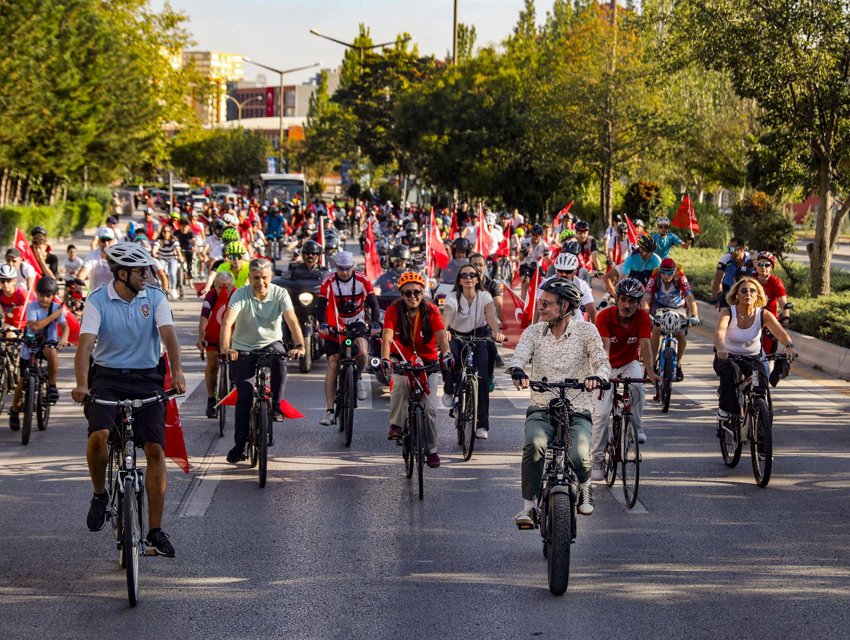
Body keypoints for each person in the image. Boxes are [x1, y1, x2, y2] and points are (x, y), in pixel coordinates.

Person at [71, 242, 186, 558]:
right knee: (99, 438)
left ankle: (155, 531)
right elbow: (84, 347)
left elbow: (169, 337)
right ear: (121, 274)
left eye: (147, 270)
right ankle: (99, 494)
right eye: (141, 271)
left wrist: (176, 372)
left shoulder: (155, 297)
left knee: (155, 449)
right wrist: (82, 384)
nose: (147, 276)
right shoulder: (97, 301)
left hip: (148, 376)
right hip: (107, 378)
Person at [510, 278, 610, 526]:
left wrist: (598, 376)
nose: (540, 307)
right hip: (542, 407)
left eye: (546, 303)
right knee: (534, 445)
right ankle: (529, 508)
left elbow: (601, 361)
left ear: (565, 306)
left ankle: (585, 487)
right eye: (539, 302)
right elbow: (520, 354)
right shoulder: (534, 331)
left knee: (579, 454)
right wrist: (518, 370)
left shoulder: (586, 331)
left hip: (577, 409)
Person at [219, 259, 305, 463]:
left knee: (280, 361)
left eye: (264, 278)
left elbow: (292, 320)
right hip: (243, 349)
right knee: (245, 397)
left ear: (271, 277)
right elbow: (227, 322)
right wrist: (226, 349)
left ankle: (275, 405)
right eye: (256, 278)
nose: (261, 283)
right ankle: (239, 445)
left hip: (271, 343)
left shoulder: (280, 293)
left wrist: (300, 345)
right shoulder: (240, 294)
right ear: (249, 278)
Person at [381, 271, 452, 468]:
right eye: (408, 293)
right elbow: (387, 336)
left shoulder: (430, 310)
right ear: (401, 295)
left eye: (417, 293)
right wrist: (385, 358)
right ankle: (396, 424)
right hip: (402, 360)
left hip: (428, 363)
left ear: (423, 293)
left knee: (430, 408)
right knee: (400, 385)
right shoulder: (393, 310)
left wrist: (446, 354)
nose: (413, 297)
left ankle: (432, 451)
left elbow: (441, 336)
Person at [591, 278, 660, 481]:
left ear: (638, 303)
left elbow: (646, 347)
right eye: (623, 300)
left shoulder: (643, 317)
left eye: (632, 301)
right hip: (606, 364)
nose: (626, 305)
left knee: (638, 387)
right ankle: (597, 459)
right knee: (602, 414)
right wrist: (602, 376)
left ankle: (636, 428)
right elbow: (605, 347)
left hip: (629, 363)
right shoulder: (604, 316)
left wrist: (651, 372)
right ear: (616, 299)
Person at [714, 277, 796, 425]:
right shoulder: (728, 313)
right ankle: (725, 409)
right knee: (730, 374)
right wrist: (721, 348)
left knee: (761, 387)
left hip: (754, 359)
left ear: (758, 295)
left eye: (753, 291)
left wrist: (789, 345)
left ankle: (762, 430)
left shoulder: (763, 314)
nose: (748, 294)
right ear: (736, 295)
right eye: (744, 290)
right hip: (728, 357)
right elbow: (720, 333)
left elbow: (780, 332)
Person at [316, 251, 381, 426]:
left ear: (353, 266)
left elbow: (374, 304)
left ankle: (357, 377)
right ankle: (329, 410)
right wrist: (322, 324)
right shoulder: (328, 281)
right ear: (335, 267)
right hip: (335, 323)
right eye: (340, 269)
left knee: (362, 351)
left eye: (347, 268)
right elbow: (320, 307)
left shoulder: (362, 279)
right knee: (333, 362)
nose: (344, 272)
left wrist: (375, 323)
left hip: (356, 321)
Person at [440, 264, 505, 439]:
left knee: (482, 378)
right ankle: (448, 388)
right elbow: (447, 312)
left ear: (477, 279)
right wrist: (443, 330)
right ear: (459, 281)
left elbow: (491, 314)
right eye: (464, 275)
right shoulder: (453, 296)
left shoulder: (484, 295)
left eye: (472, 275)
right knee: (448, 357)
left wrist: (496, 331)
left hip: (480, 336)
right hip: (457, 336)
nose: (469, 278)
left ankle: (482, 425)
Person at [9, 277, 69, 428]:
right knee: (22, 380)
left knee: (52, 353)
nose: (44, 299)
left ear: (53, 296)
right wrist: (53, 317)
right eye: (41, 295)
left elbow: (65, 325)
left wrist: (64, 337)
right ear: (37, 294)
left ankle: (53, 387)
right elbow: (35, 327)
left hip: (47, 344)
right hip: (30, 346)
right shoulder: (32, 307)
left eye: (48, 296)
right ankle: (15, 409)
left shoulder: (56, 308)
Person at [643, 257, 701, 381]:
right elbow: (646, 298)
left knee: (680, 334)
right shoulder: (655, 278)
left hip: (678, 308)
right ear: (660, 272)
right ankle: (652, 365)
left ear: (674, 272)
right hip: (659, 307)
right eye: (663, 272)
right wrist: (646, 313)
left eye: (670, 273)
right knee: (657, 329)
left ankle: (678, 364)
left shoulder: (680, 277)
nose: (666, 276)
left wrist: (694, 315)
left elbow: (690, 298)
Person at [197, 270, 235, 418]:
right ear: (215, 286)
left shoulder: (237, 294)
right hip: (214, 334)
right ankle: (211, 399)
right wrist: (200, 338)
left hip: (233, 335)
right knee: (212, 363)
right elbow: (204, 318)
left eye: (227, 287)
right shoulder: (211, 295)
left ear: (232, 285)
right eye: (220, 287)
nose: (223, 290)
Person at [535, 252, 597, 324]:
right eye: (560, 271)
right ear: (556, 270)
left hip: (574, 322)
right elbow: (537, 309)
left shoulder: (581, 285)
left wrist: (594, 331)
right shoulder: (545, 283)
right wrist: (533, 327)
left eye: (568, 271)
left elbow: (592, 311)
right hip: (550, 321)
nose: (563, 274)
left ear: (575, 271)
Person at [752, 251, 791, 355]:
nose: (763, 267)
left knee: (769, 354)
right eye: (760, 264)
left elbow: (783, 301)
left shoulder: (776, 282)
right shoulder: (750, 280)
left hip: (770, 321)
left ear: (771, 267)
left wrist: (786, 316)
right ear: (756, 266)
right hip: (752, 318)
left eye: (767, 265)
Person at [711, 237, 754, 307]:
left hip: (746, 291)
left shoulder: (751, 259)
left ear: (741, 249)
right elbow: (717, 279)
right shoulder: (725, 259)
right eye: (728, 248)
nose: (729, 252)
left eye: (731, 249)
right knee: (724, 312)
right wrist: (714, 298)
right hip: (729, 290)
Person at [152, 225, 184, 300]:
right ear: (162, 232)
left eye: (168, 231)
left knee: (172, 273)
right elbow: (155, 249)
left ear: (171, 232)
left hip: (172, 258)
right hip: (162, 258)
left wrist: (180, 257)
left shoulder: (174, 240)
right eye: (164, 231)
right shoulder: (159, 241)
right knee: (161, 272)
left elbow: (178, 250)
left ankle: (173, 289)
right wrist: (154, 253)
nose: (166, 233)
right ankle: (162, 288)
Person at [519, 224, 549, 300]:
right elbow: (520, 258)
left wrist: (545, 256)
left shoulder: (544, 245)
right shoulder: (525, 242)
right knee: (526, 281)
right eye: (533, 235)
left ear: (541, 235)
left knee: (542, 281)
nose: (535, 237)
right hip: (526, 265)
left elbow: (547, 260)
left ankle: (538, 301)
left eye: (537, 235)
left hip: (537, 266)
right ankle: (522, 302)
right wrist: (525, 253)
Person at [0, 264, 27, 330]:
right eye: (2, 281)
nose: (5, 284)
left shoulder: (21, 293)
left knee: (10, 335)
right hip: (8, 325)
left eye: (9, 280)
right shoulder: (0, 294)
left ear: (14, 281)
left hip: (22, 327)